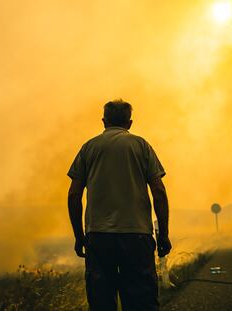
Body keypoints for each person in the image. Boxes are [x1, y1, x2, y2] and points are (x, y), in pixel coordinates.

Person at [67, 99, 171, 311]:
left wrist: (79, 236)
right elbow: (159, 192)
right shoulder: (141, 146)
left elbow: (74, 195)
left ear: (104, 121)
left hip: (99, 236)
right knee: (142, 301)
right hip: (137, 236)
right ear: (129, 123)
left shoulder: (89, 148)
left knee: (101, 302)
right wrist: (163, 234)